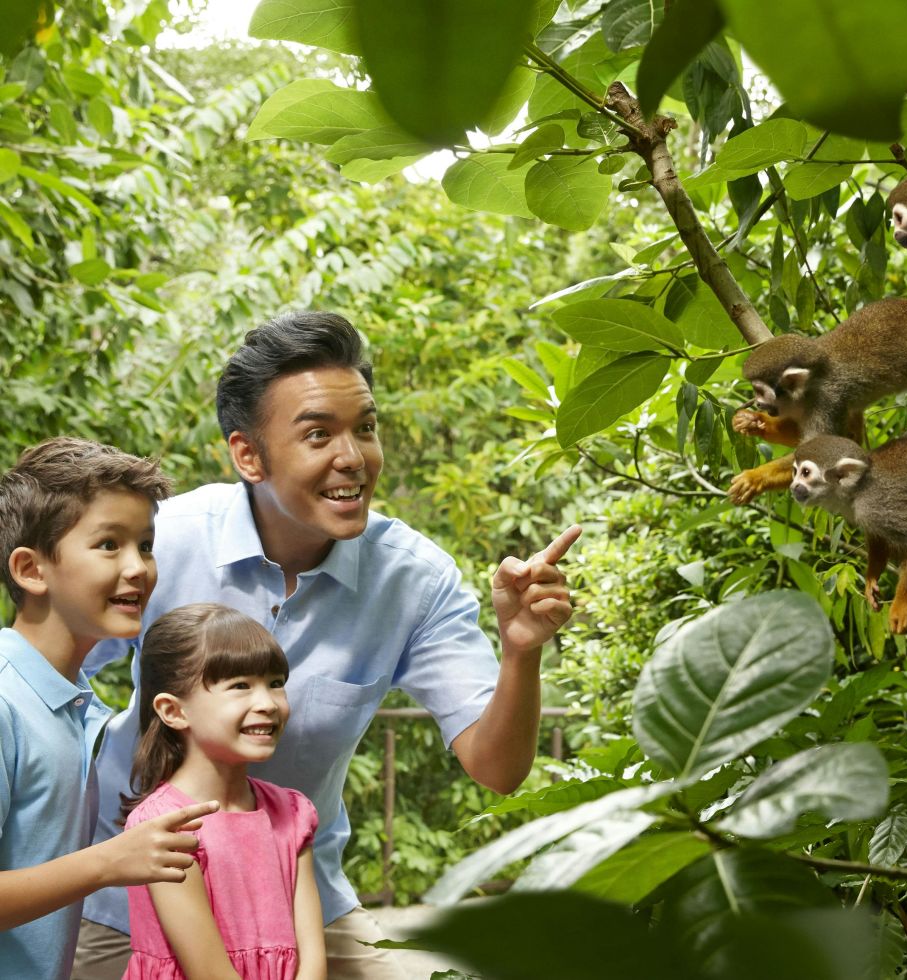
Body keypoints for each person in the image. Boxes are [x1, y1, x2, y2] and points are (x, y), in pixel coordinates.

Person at [75, 310, 581, 980]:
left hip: (298, 901)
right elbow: (49, 673)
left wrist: (521, 651)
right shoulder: (166, 542)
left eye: (365, 429)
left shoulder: (414, 579)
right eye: (319, 435)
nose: (354, 458)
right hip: (131, 893)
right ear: (247, 454)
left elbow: (498, 768)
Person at [0, 438, 219, 979]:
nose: (138, 568)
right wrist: (109, 861)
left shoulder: (75, 708)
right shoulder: (5, 700)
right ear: (31, 569)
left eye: (145, 546)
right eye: (108, 545)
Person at [123, 602, 326, 979]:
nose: (267, 703)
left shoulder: (294, 813)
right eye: (240, 686)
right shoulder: (164, 827)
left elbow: (313, 960)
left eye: (276, 683)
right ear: (173, 711)